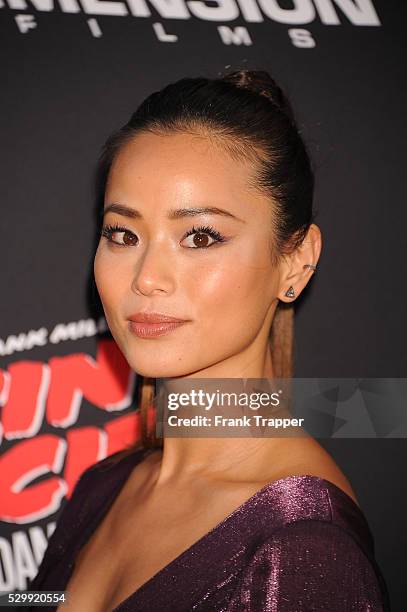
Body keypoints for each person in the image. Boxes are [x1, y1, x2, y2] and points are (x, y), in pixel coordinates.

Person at [24, 69, 390, 611]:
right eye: (123, 234)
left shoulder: (303, 551)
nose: (147, 277)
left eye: (200, 236)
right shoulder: (104, 487)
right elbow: (47, 599)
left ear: (295, 261)